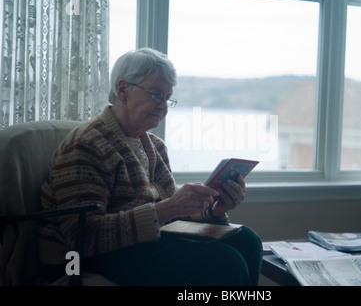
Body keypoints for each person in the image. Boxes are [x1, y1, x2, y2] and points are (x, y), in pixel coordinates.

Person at [38, 47, 263, 286]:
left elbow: (172, 215)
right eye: (156, 94)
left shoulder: (154, 145)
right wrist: (167, 209)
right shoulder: (86, 144)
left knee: (247, 240)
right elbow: (83, 236)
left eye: (168, 98)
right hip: (83, 258)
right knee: (224, 262)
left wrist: (213, 211)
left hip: (142, 242)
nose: (163, 106)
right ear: (123, 89)